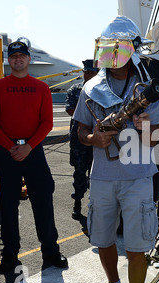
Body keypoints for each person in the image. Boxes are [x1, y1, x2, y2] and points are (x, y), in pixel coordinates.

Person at [72, 16, 159, 283]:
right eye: (109, 49)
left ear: (133, 51)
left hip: (138, 178)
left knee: (137, 246)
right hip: (102, 177)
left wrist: (146, 127)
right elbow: (81, 130)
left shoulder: (149, 91)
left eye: (120, 49)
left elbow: (155, 140)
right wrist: (93, 139)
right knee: (102, 239)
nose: (114, 56)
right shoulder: (91, 89)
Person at [0, 41, 68, 271]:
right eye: (14, 56)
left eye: (22, 56)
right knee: (9, 205)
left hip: (33, 151)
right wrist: (11, 147)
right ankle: (10, 255)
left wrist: (28, 147)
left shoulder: (41, 88)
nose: (18, 59)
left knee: (43, 202)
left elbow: (47, 122)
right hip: (6, 151)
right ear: (8, 61)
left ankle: (50, 251)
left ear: (29, 59)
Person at [65, 59, 98, 220]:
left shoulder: (102, 90)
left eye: (92, 72)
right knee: (79, 172)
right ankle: (77, 203)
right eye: (87, 72)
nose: (89, 75)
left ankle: (95, 205)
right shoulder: (75, 90)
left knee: (97, 174)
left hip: (98, 139)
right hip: (78, 139)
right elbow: (71, 110)